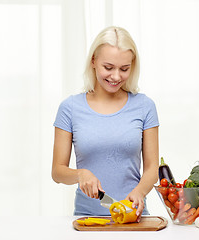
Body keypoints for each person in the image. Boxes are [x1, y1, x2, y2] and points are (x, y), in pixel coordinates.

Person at [52, 26, 159, 221]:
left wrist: (140, 192)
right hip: (87, 219)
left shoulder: (145, 106)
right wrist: (80, 174)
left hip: (134, 217)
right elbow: (57, 172)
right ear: (93, 61)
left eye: (124, 69)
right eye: (108, 67)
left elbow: (152, 169)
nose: (116, 76)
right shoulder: (70, 108)